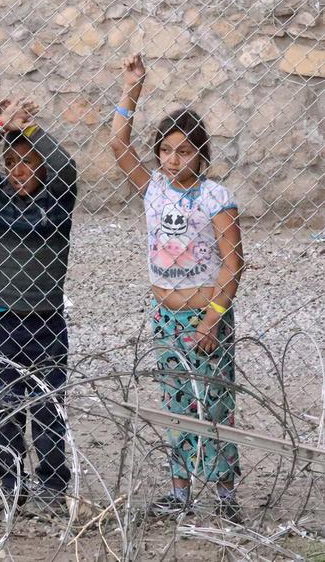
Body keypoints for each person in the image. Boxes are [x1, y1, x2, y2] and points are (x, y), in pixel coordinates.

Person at [110, 54, 244, 522]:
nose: (173, 159)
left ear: (201, 155)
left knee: (215, 402)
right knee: (176, 403)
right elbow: (116, 143)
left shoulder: (216, 197)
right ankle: (180, 490)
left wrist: (213, 318)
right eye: (166, 150)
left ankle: (225, 495)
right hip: (165, 314)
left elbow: (232, 263)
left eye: (184, 151)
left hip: (203, 314)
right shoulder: (153, 189)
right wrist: (133, 88)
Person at [0, 99, 77, 513]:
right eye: (11, 163)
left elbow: (64, 166)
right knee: (3, 405)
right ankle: (10, 481)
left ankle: (51, 482)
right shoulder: (0, 198)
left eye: (28, 162)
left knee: (48, 407)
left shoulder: (58, 200)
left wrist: (29, 128)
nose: (19, 170)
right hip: (3, 321)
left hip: (47, 320)